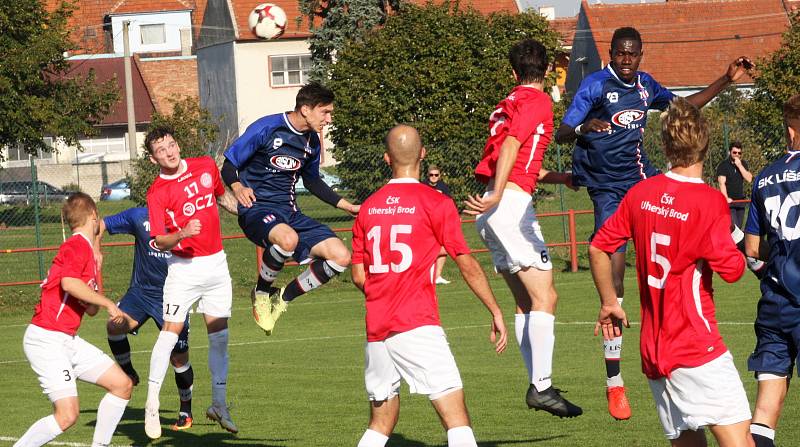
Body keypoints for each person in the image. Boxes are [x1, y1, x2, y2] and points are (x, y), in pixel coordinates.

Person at [554, 26, 753, 420]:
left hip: (638, 179)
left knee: (688, 209)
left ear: (641, 55)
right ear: (611, 53)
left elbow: (685, 108)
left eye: (633, 55)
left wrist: (725, 82)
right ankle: (614, 380)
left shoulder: (645, 85)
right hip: (606, 187)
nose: (627, 61)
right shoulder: (594, 86)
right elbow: (562, 132)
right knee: (613, 268)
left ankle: (742, 246)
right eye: (621, 54)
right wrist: (583, 127)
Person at [590, 98, 752, 446]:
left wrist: (609, 302)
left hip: (654, 350)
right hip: (696, 345)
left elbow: (598, 247)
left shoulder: (640, 193)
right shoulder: (709, 201)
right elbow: (733, 271)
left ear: (663, 144)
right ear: (706, 145)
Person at [351, 124, 507, 447]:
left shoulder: (368, 207)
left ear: (385, 158)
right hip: (416, 322)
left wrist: (386, 294)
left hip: (376, 328)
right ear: (423, 155)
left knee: (381, 421)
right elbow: (466, 263)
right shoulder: (435, 202)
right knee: (456, 418)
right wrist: (495, 309)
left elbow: (358, 275)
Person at [464, 38, 582, 418]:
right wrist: (499, 194)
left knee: (526, 302)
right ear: (547, 71)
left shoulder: (507, 103)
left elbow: (519, 159)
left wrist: (560, 178)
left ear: (513, 72)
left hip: (494, 208)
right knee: (547, 298)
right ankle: (542, 387)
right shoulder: (539, 100)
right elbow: (514, 145)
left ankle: (538, 383)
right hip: (508, 205)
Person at [221, 82, 359, 336]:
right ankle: (261, 293)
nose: (329, 119)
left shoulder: (312, 143)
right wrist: (238, 186)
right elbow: (229, 165)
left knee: (341, 256)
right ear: (305, 109)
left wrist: (346, 204)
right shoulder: (267, 127)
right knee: (287, 239)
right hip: (257, 209)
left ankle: (283, 297)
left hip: (290, 212)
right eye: (325, 112)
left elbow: (313, 181)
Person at [15, 193, 132, 447]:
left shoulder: (87, 252)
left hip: (66, 339)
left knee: (121, 385)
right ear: (94, 215)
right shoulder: (76, 245)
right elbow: (69, 283)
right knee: (67, 415)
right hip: (47, 338)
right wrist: (109, 303)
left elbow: (90, 310)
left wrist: (98, 270)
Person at [143, 125, 237, 439]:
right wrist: (182, 233)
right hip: (183, 271)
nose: (169, 152)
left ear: (177, 143)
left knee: (220, 338)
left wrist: (250, 210)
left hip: (217, 266)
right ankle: (152, 402)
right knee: (170, 335)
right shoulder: (157, 192)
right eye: (161, 150)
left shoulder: (205, 165)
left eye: (171, 144)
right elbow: (159, 240)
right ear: (154, 159)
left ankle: (219, 404)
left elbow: (225, 199)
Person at [99, 207, 195, 431]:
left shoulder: (187, 220)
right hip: (140, 293)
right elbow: (100, 224)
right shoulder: (138, 216)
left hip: (172, 295)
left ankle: (185, 411)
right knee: (114, 326)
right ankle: (129, 372)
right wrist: (95, 253)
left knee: (178, 359)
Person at [743, 94, 800, 447]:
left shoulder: (763, 178)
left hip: (775, 306)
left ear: (791, 133)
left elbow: (751, 250)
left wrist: (775, 261)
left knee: (765, 412)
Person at [423, 164, 452, 285]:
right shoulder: (422, 186)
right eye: (431, 175)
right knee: (426, 248)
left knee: (444, 248)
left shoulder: (443, 187)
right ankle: (426, 274)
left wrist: (452, 217)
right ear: (427, 175)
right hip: (425, 221)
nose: (434, 177)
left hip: (440, 220)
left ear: (439, 176)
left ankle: (437, 276)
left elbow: (449, 203)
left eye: (436, 175)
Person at [716, 141, 753, 229]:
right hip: (730, 202)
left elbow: (749, 179)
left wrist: (740, 166)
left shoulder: (743, 164)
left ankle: (735, 243)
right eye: (734, 152)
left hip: (740, 201)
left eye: (739, 153)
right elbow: (722, 183)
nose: (737, 155)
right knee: (734, 227)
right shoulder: (723, 165)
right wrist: (726, 198)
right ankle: (730, 242)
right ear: (729, 152)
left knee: (739, 229)